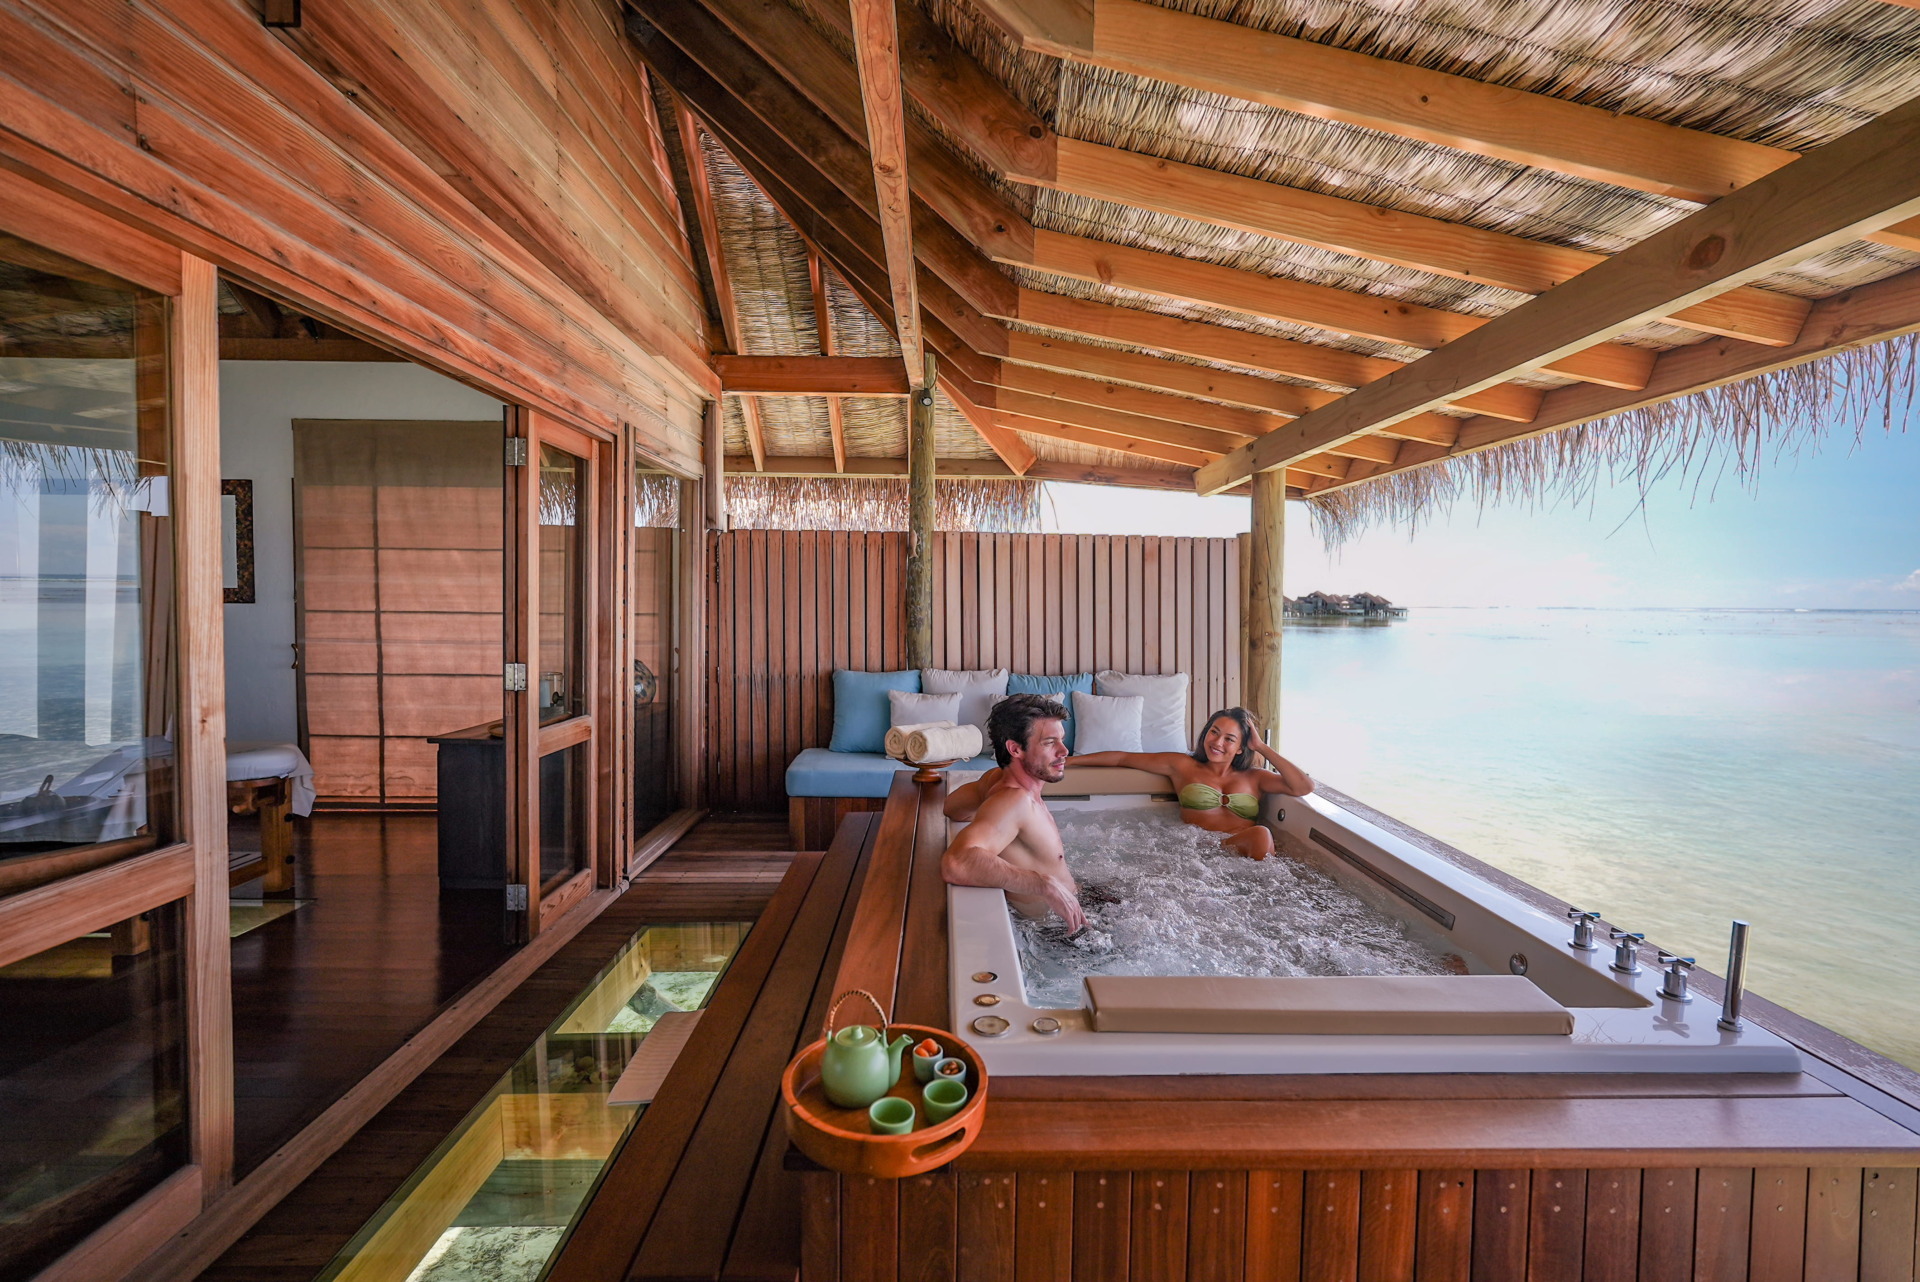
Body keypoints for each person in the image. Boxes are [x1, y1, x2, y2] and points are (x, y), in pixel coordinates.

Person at [1068, 707, 1311, 860]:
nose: (1217, 742)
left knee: (1260, 835)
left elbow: (1303, 787)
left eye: (1229, 739)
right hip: (1199, 851)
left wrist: (1261, 747)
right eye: (1214, 732)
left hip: (1241, 854)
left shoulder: (1255, 777)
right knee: (1261, 834)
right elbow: (1122, 758)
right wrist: (1069, 761)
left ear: (1241, 748)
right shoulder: (1183, 766)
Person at [939, 693, 1087, 932]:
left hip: (1070, 904)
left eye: (1061, 740)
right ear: (1015, 749)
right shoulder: (1014, 800)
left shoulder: (995, 780)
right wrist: (1044, 884)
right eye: (1050, 742)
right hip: (1058, 931)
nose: (1064, 751)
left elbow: (951, 807)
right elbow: (956, 863)